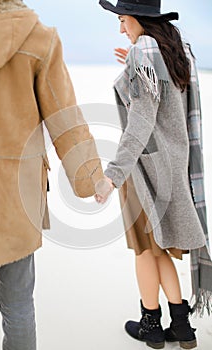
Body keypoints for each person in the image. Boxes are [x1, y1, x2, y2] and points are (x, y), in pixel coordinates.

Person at [0, 0, 104, 349]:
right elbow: (64, 116)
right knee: (17, 306)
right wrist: (91, 177)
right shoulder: (38, 38)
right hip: (14, 196)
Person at [96, 0, 212, 349]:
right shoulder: (174, 53)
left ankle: (150, 324)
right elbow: (165, 107)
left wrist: (114, 174)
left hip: (144, 169)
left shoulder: (143, 54)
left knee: (145, 251)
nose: (121, 28)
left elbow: (142, 122)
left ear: (139, 19)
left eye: (123, 20)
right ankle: (181, 326)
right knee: (159, 250)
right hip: (174, 165)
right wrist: (130, 69)